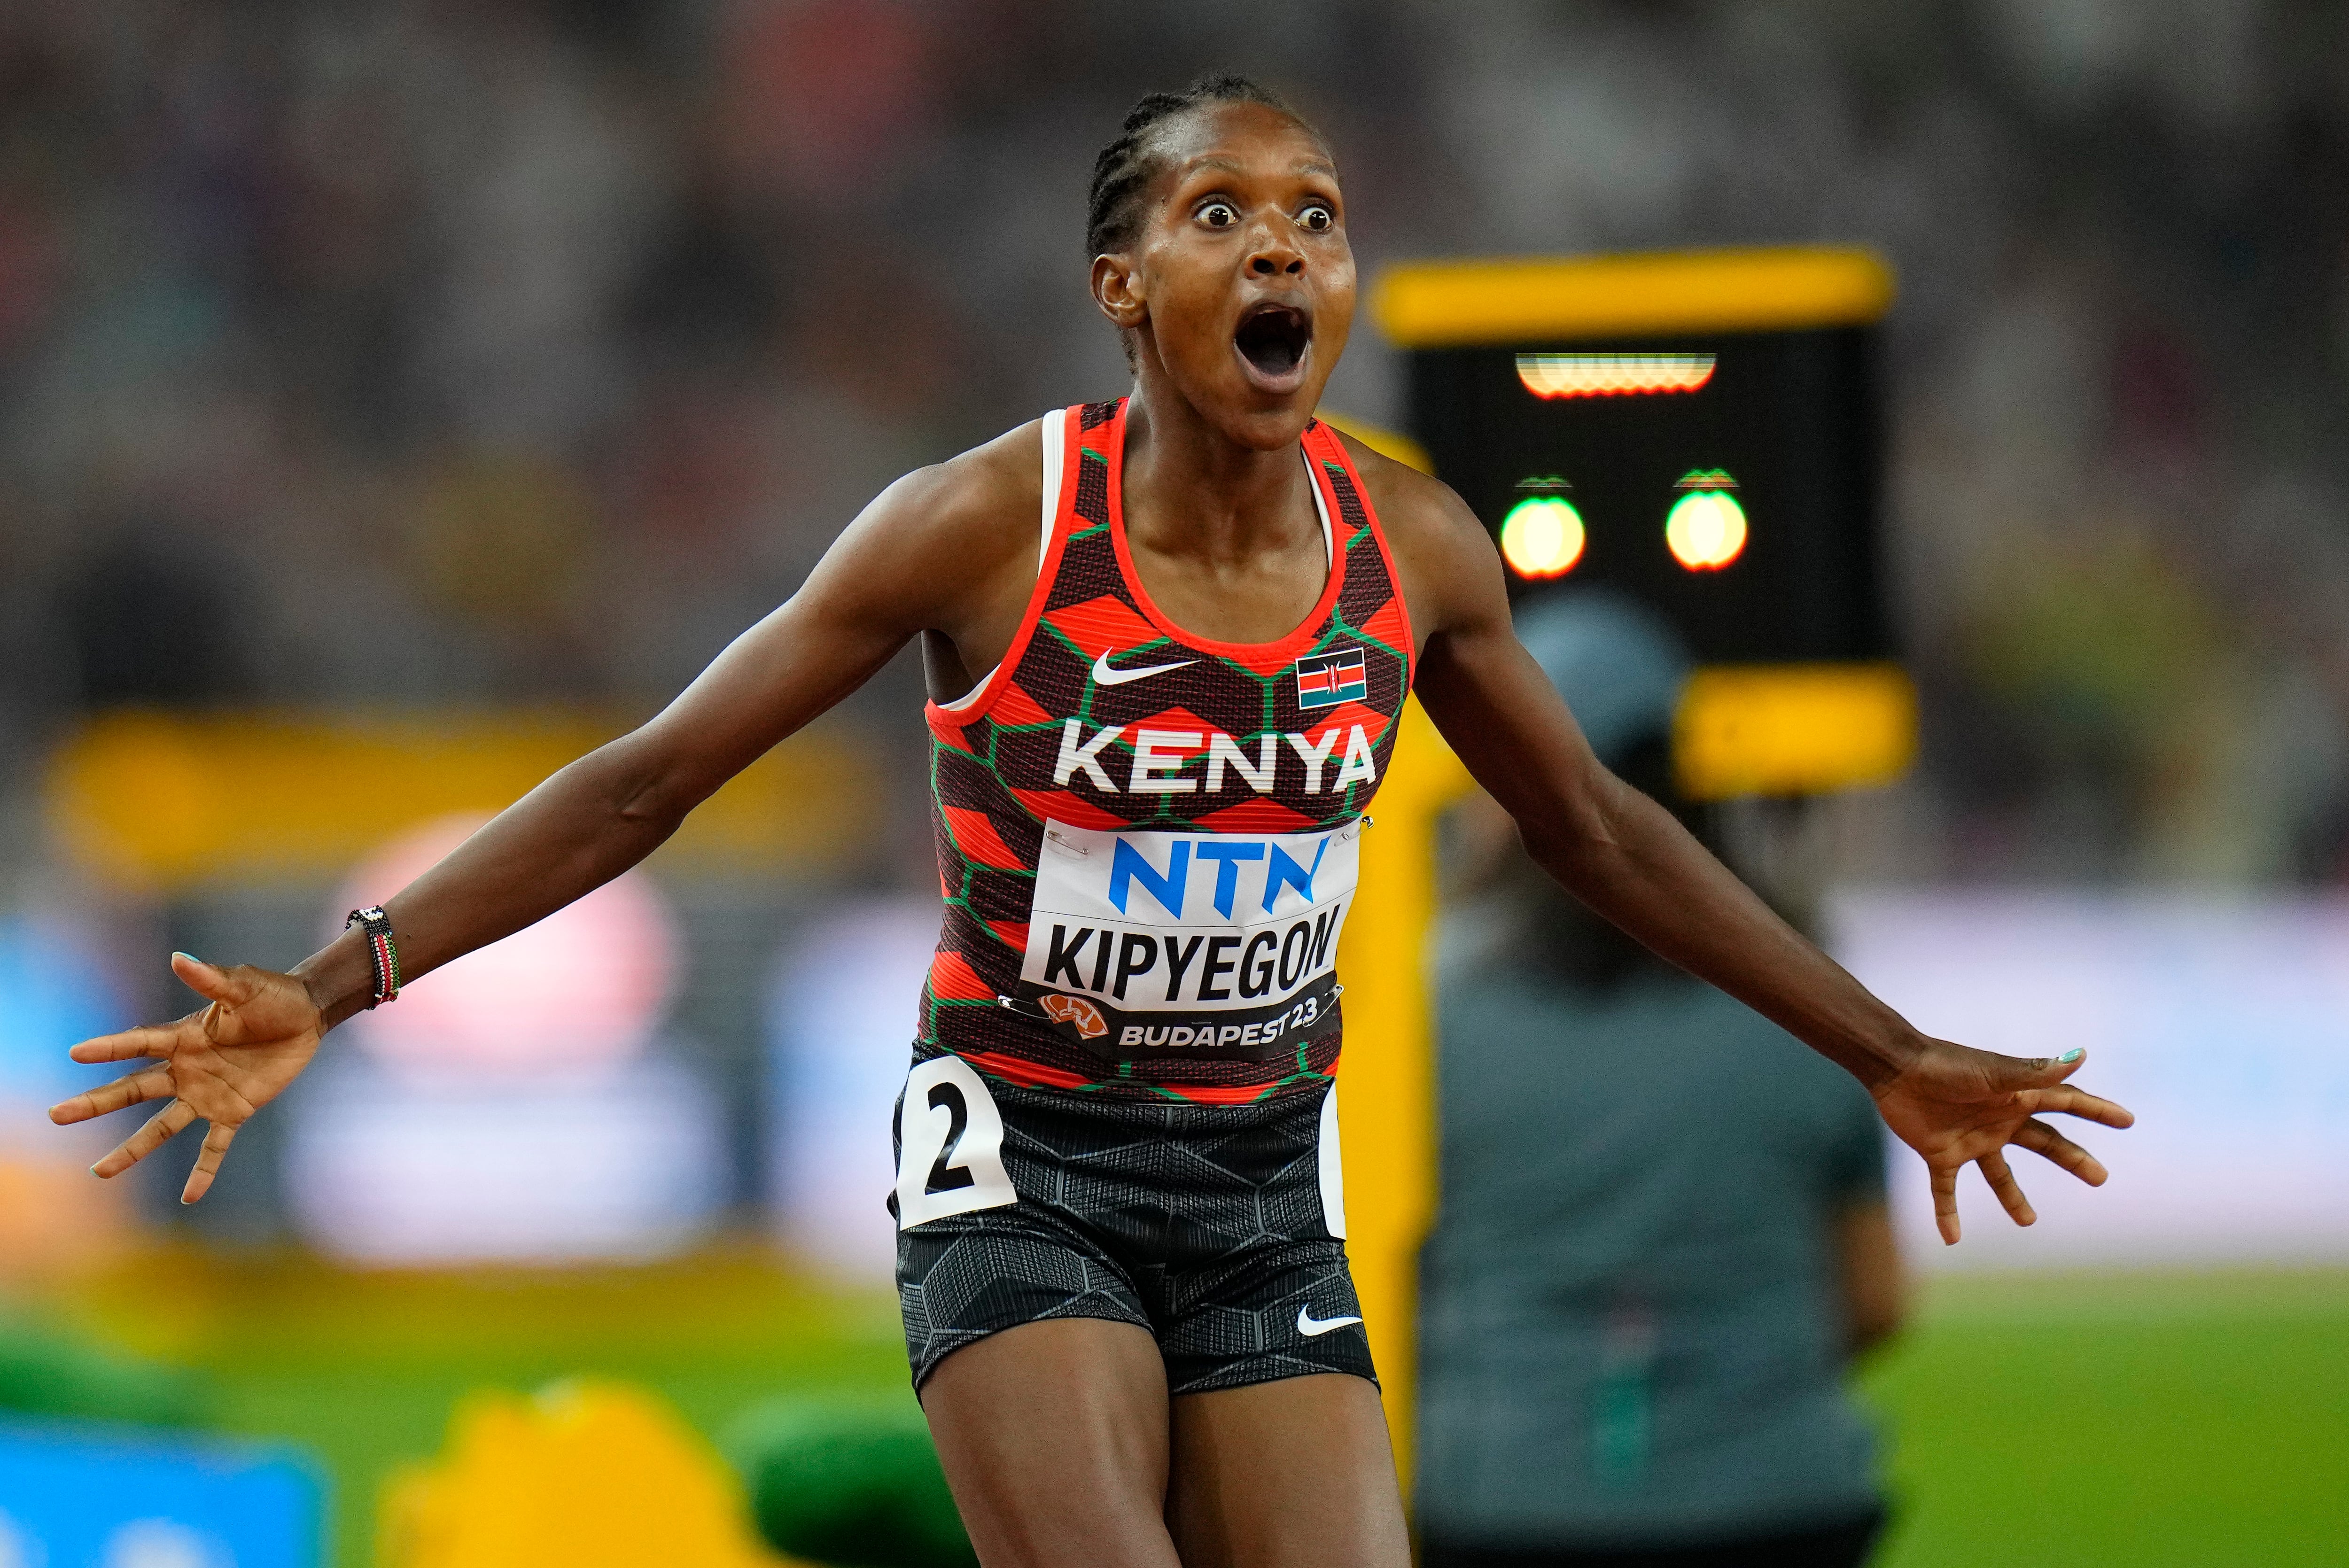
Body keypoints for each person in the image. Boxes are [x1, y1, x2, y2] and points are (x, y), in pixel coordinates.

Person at [49, 75, 2131, 1568]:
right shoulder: (982, 525)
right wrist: (342, 978)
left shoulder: (1409, 545)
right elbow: (650, 775)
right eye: (1223, 216)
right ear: (1123, 288)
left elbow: (1592, 833)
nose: (1282, 246)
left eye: (1313, 214)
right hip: (1019, 1168)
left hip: (1256, 1198)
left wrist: (1886, 1050)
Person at [1417, 594, 1903, 1568]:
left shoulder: (1430, 1002)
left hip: (1502, 1502)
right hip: (1779, 1498)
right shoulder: (1813, 998)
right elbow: (1873, 1298)